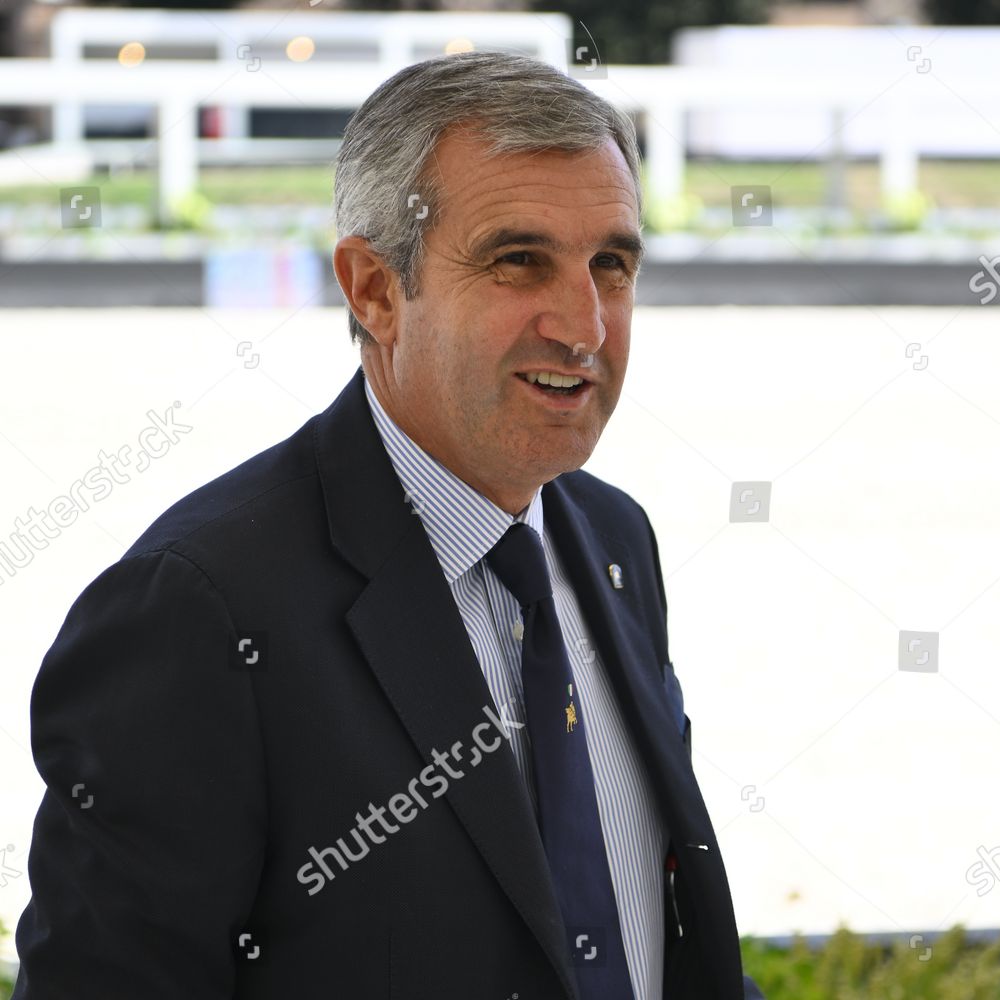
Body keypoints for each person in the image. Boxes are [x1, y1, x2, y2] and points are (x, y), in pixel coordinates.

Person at [13, 50, 763, 1000]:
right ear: (373, 291)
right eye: (518, 261)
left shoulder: (616, 544)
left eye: (610, 264)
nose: (586, 327)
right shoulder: (196, 611)